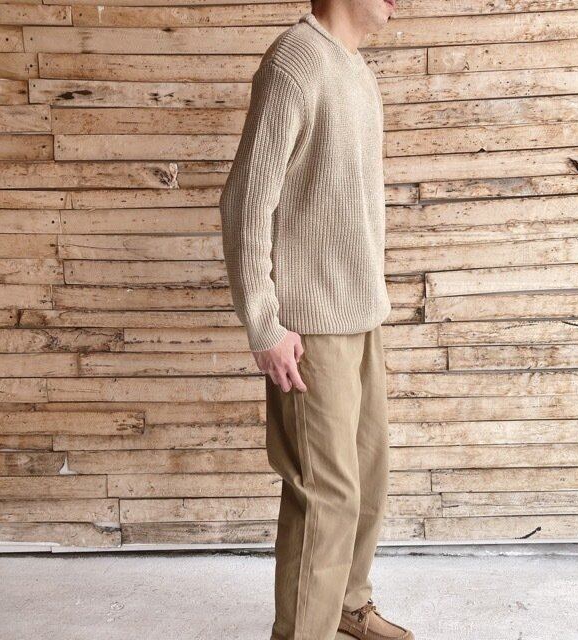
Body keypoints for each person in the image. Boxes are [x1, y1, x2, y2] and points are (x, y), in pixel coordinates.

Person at [220, 1, 414, 638]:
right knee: (325, 495)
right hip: (311, 327)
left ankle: (348, 605)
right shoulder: (295, 61)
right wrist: (263, 322)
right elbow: (247, 199)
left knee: (367, 481)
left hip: (361, 315)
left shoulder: (355, 69)